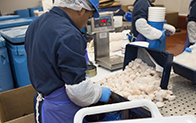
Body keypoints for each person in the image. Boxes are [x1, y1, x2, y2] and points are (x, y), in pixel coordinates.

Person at [24, 0, 111, 123]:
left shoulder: (36, 23)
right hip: (61, 111)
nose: (86, 23)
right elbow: (78, 92)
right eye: (88, 18)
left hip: (45, 105)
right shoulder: (69, 34)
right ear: (81, 9)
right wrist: (99, 92)